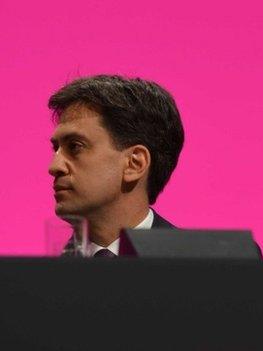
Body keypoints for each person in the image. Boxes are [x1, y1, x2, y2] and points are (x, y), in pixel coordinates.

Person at [48, 75, 184, 257]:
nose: (54, 166)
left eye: (75, 146)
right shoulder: (40, 281)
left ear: (135, 163)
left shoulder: (202, 272)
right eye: (56, 149)